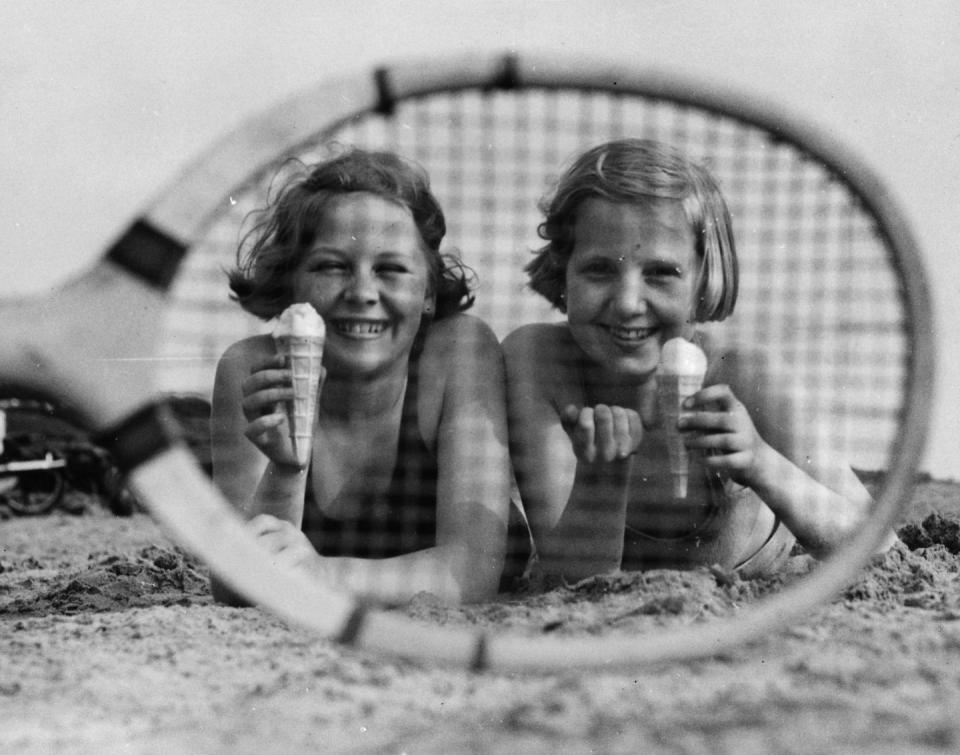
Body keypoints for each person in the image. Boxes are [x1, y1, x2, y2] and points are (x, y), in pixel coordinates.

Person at [503, 138, 893, 582]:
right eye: (599, 269)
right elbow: (567, 580)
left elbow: (881, 544)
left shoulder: (743, 374)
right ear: (563, 270)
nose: (629, 302)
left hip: (757, 567)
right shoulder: (542, 364)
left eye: (661, 273)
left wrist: (760, 462)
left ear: (704, 278)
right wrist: (601, 479)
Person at [210, 147, 512, 605]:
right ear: (293, 284)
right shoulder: (250, 369)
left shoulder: (458, 354)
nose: (363, 293)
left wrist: (323, 575)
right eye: (332, 266)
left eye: (390, 269)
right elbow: (235, 589)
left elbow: (470, 573)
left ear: (429, 291)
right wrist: (287, 472)